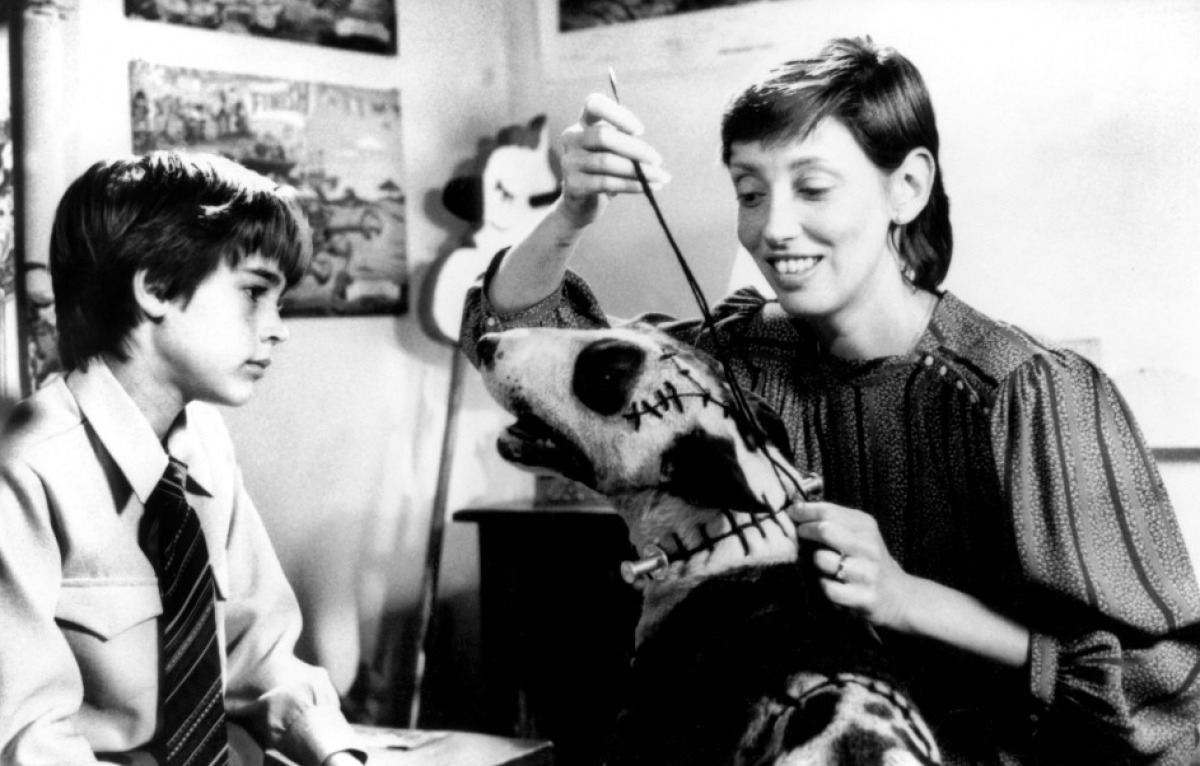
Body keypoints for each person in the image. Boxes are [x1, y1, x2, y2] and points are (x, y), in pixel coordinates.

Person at [461, 37, 1200, 764]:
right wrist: (570, 213)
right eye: (750, 193)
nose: (773, 228)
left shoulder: (1023, 393)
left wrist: (910, 599)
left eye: (813, 188)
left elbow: (1166, 691)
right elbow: (531, 352)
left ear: (907, 187)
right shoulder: (739, 357)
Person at [0, 152, 366, 766]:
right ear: (156, 288)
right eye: (254, 292)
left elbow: (259, 655)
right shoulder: (27, 471)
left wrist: (335, 754)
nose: (278, 328)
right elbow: (24, 741)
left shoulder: (204, 448)